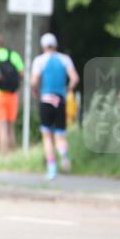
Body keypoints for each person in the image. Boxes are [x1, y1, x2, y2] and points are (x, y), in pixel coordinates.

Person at [30, 33, 79, 180]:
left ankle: (52, 168)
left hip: (46, 99)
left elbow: (33, 82)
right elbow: (75, 78)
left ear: (43, 46)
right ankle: (63, 153)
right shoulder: (65, 59)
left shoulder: (39, 60)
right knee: (60, 134)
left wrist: (36, 93)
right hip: (61, 100)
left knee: (46, 135)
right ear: (56, 45)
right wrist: (68, 89)